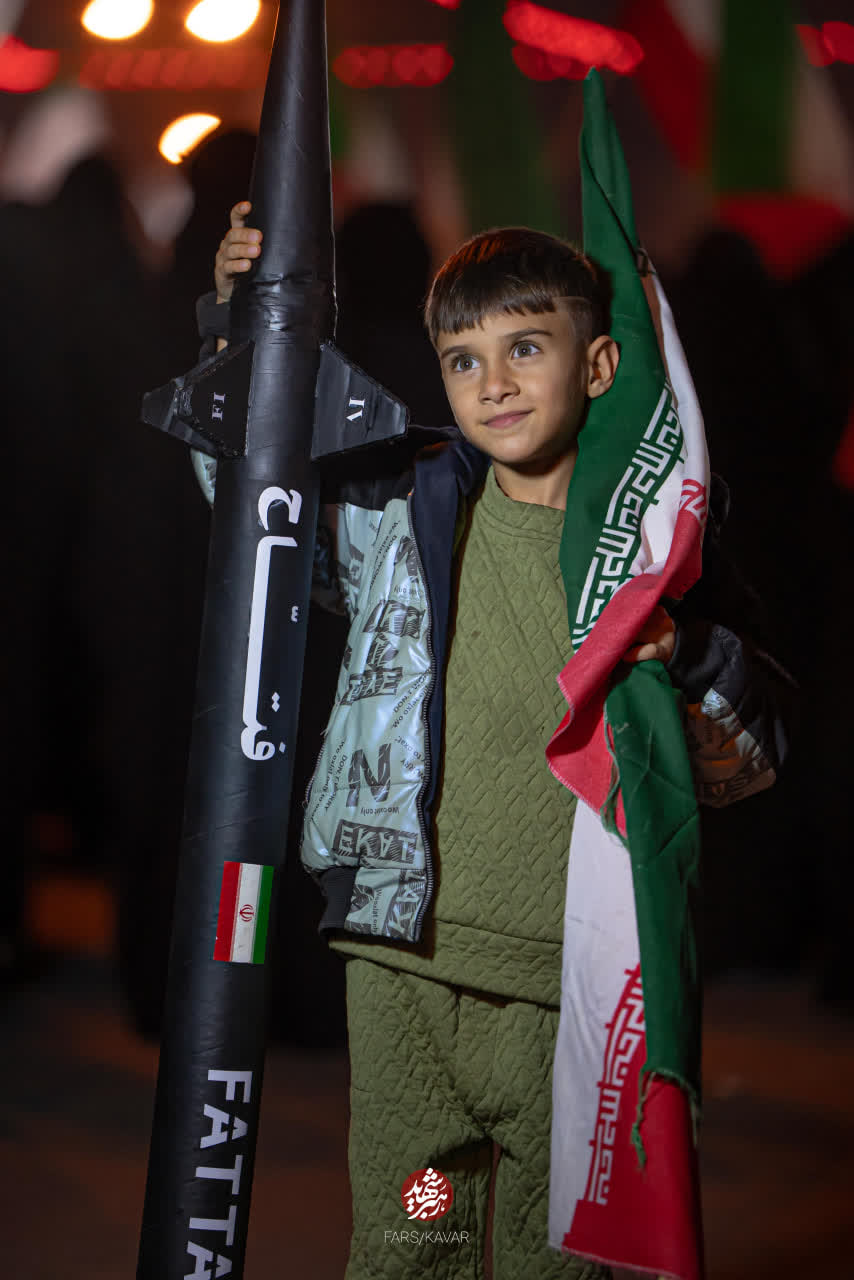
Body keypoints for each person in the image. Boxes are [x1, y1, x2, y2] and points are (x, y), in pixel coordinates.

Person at [203, 198, 790, 1278]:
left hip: (577, 986)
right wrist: (247, 322)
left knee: (553, 1254)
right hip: (405, 966)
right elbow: (256, 497)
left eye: (526, 346)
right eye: (463, 359)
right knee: (410, 1233)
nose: (495, 383)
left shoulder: (652, 552)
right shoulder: (405, 508)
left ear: (598, 364)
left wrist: (690, 656)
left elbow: (746, 759)